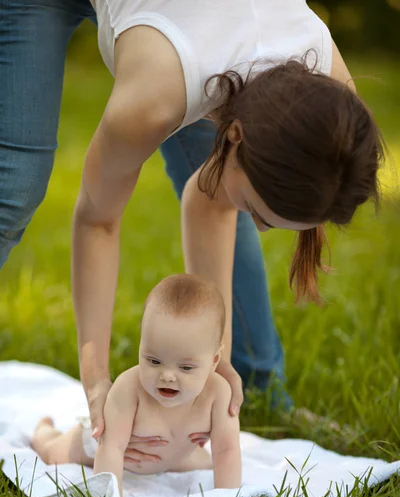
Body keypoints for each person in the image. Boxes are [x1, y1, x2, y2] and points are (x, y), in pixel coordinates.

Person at [1, 2, 384, 464]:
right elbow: (98, 220)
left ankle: (260, 390)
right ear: (236, 135)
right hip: (129, 26)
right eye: (258, 212)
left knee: (229, 189)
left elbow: (213, 204)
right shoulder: (153, 99)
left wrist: (214, 358)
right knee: (14, 185)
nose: (261, 229)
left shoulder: (332, 107)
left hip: (196, 31)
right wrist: (96, 378)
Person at [31, 274, 242, 497]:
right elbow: (110, 447)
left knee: (205, 463)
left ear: (214, 361)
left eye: (186, 367)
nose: (167, 375)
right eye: (153, 360)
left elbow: (226, 450)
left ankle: (172, 458)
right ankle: (44, 432)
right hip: (100, 443)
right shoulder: (129, 389)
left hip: (170, 453)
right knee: (53, 455)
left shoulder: (219, 394)